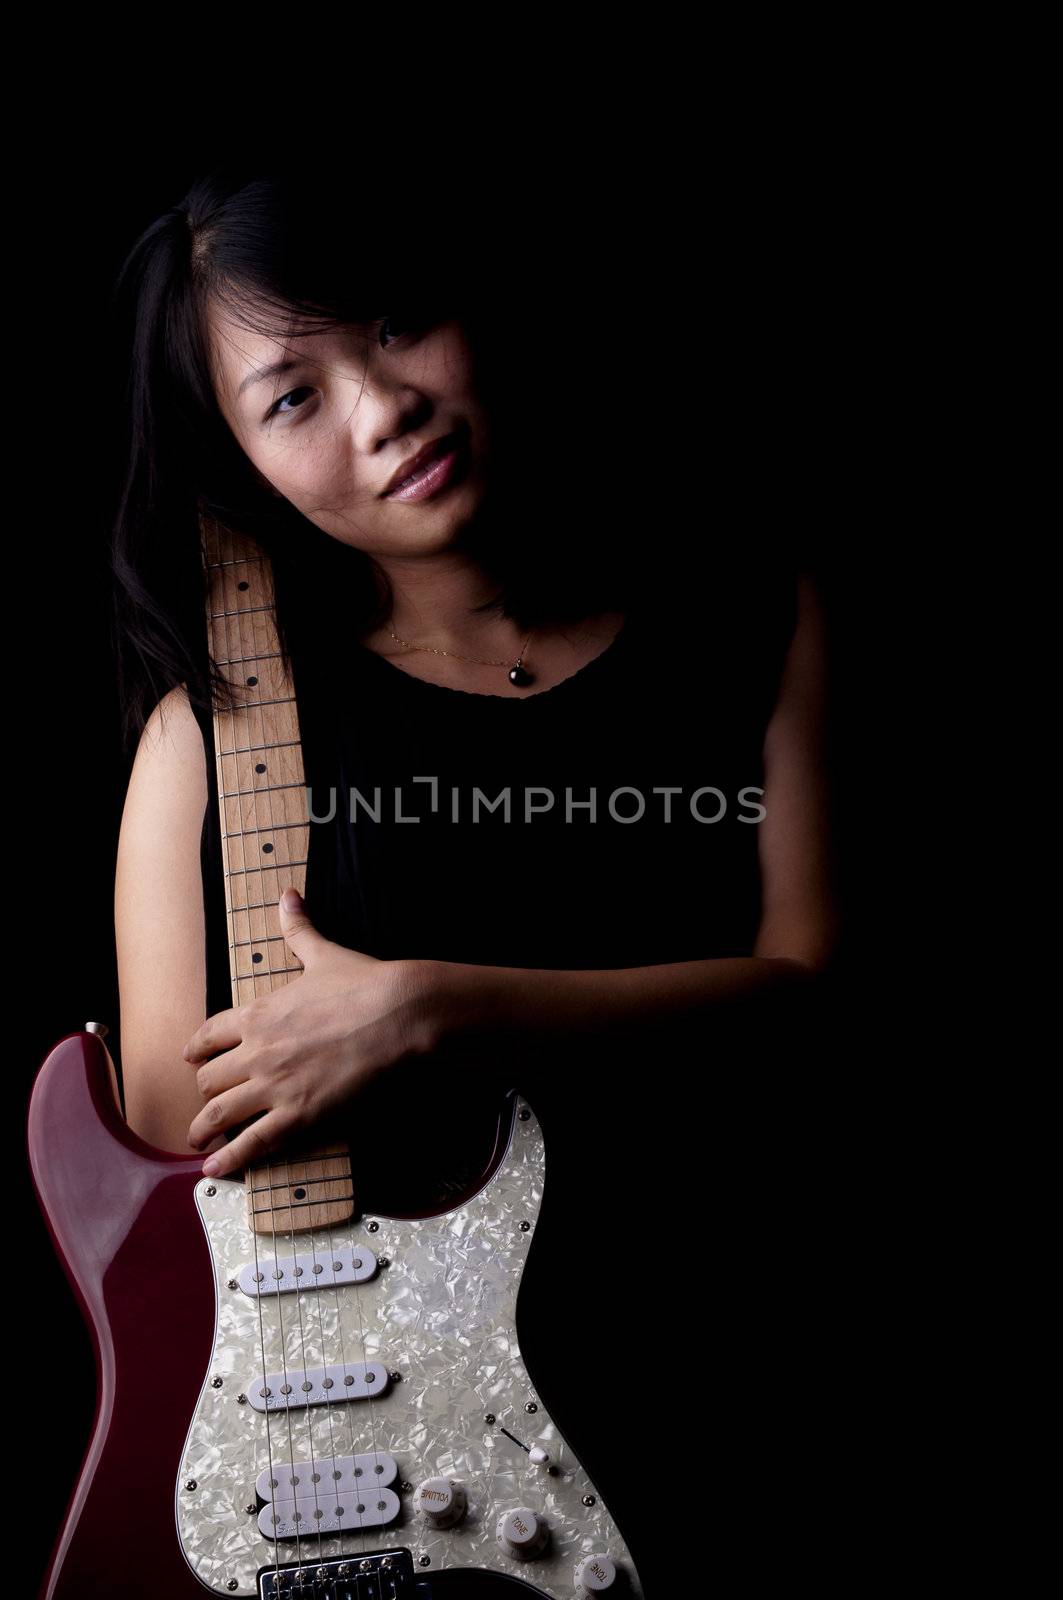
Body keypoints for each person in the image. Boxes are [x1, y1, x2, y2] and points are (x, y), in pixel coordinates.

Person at [110, 165, 841, 1589]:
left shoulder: (755, 614)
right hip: (415, 1469)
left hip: (755, 1375)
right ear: (239, 463)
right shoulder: (216, 742)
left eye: (392, 324)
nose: (384, 409)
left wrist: (435, 1008)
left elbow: (817, 1002)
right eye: (293, 395)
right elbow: (167, 1160)